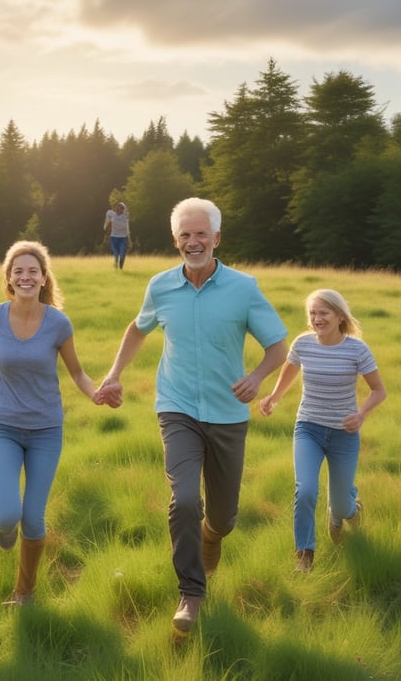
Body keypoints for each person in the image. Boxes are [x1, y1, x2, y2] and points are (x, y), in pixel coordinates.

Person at [95, 197, 288, 634]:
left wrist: (258, 377)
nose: (193, 241)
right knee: (183, 499)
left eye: (201, 234)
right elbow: (137, 328)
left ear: (217, 238)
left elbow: (279, 345)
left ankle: (212, 535)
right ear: (175, 240)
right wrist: (113, 374)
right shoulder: (160, 287)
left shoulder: (244, 288)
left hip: (227, 413)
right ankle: (191, 593)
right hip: (176, 408)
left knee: (223, 517)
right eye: (185, 235)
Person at [0, 240, 118, 606]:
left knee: (33, 519)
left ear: (44, 278)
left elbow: (76, 371)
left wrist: (94, 393)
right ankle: (2, 526)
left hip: (46, 429)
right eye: (18, 271)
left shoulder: (58, 323)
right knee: (10, 515)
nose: (26, 277)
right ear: (9, 279)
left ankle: (24, 593)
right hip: (4, 427)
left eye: (33, 271)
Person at [258, 289, 386, 573]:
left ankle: (348, 508)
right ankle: (304, 554)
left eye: (323, 313)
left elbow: (379, 390)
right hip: (309, 429)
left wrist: (361, 414)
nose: (317, 319)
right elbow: (289, 372)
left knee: (341, 508)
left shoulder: (357, 349)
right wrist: (274, 397)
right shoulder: (303, 344)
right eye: (313, 313)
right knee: (305, 490)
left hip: (344, 434)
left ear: (340, 316)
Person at [104, 201, 131, 269]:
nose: (117, 209)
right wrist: (106, 227)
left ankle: (121, 267)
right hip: (114, 237)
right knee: (116, 254)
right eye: (116, 208)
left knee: (122, 254)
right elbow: (108, 223)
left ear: (122, 210)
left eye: (119, 208)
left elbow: (127, 226)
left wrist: (129, 238)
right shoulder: (112, 215)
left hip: (123, 238)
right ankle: (116, 263)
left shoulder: (125, 217)